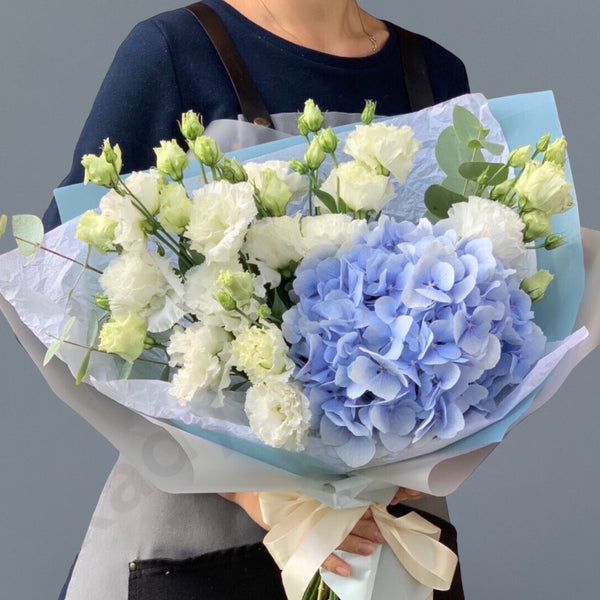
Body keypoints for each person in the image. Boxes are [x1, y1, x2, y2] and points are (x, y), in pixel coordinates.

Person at [46, 1, 470, 598]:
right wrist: (255, 489)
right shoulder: (173, 53)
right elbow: (69, 291)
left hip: (383, 529)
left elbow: (479, 299)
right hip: (200, 543)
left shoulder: (435, 74)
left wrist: (435, 447)